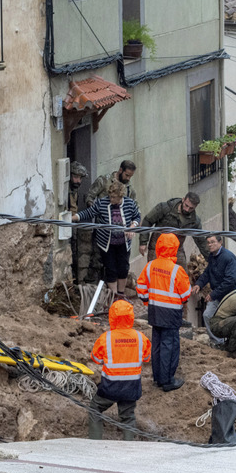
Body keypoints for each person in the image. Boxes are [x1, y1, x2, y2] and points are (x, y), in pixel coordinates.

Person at [88, 299, 151, 440]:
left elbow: (96, 359)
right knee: (128, 417)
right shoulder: (140, 338)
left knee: (95, 409)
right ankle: (128, 448)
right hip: (131, 386)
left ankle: (94, 444)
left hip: (110, 386)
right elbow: (146, 358)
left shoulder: (106, 338)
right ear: (131, 317)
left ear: (112, 317)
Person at [136, 233, 192, 391]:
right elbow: (186, 293)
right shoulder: (176, 270)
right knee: (170, 345)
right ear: (174, 248)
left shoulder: (150, 266)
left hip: (154, 311)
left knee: (157, 344)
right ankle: (167, 381)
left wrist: (148, 301)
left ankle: (158, 378)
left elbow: (140, 288)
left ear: (159, 247)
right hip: (171, 313)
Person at [73, 181, 141, 299]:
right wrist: (74, 217)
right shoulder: (102, 203)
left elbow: (137, 216)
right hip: (107, 243)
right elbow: (89, 212)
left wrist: (132, 227)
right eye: (110, 196)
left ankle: (121, 294)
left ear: (121, 197)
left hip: (123, 243)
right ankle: (113, 296)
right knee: (111, 269)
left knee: (123, 268)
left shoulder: (129, 203)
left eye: (114, 197)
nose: (111, 199)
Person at [191, 234, 236, 340]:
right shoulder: (212, 256)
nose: (210, 245)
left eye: (213, 242)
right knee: (207, 315)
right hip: (219, 295)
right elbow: (207, 272)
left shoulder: (228, 258)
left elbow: (230, 281)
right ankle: (218, 342)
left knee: (233, 320)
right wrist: (199, 284)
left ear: (220, 242)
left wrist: (213, 294)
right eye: (208, 243)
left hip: (232, 296)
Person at [138, 192, 209, 263]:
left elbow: (201, 241)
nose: (187, 210)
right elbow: (147, 221)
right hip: (158, 248)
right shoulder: (165, 208)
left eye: (191, 208)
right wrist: (143, 242)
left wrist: (211, 259)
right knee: (157, 271)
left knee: (181, 272)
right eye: (186, 205)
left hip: (177, 250)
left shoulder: (194, 221)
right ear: (183, 200)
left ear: (195, 207)